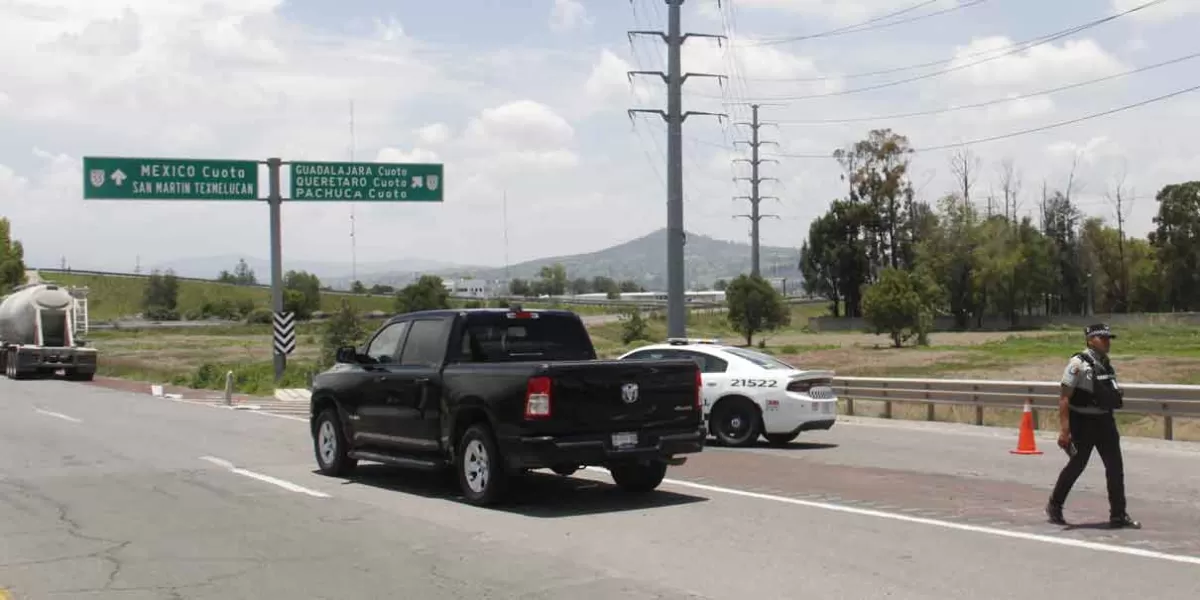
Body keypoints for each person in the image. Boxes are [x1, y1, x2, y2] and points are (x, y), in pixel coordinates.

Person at [1046, 323, 1140, 528]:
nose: (1107, 342)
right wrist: (1065, 430)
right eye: (1102, 337)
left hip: (1105, 421)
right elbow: (1064, 398)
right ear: (1090, 340)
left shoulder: (1105, 363)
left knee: (1115, 468)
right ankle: (1055, 505)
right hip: (1083, 422)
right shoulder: (1077, 363)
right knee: (1077, 465)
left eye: (1108, 338)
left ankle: (1118, 514)